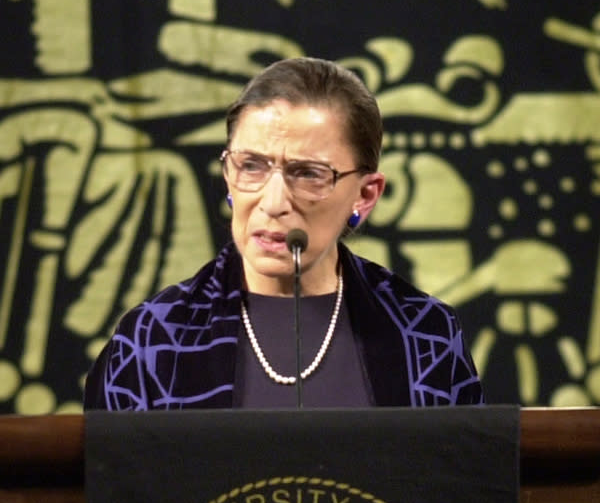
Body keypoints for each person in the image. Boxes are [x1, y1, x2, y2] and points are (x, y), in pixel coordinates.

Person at [84, 57, 483, 410]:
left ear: (365, 194)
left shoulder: (425, 334)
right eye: (252, 166)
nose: (273, 202)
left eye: (308, 173)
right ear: (227, 175)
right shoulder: (152, 341)